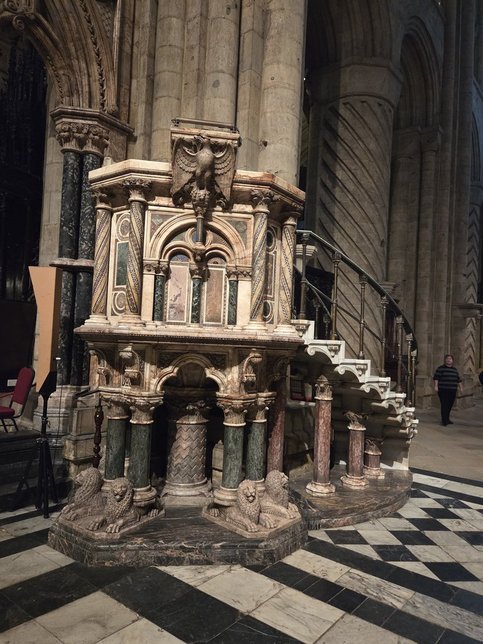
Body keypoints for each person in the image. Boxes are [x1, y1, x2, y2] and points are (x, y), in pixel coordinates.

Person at [433, 354, 463, 426]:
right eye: (447, 359)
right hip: (443, 390)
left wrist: (461, 388)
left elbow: (458, 380)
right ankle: (444, 421)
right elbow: (436, 378)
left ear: (452, 361)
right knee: (444, 405)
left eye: (450, 359)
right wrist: (436, 386)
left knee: (449, 405)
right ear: (445, 360)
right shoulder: (440, 369)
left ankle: (447, 418)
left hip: (452, 390)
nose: (449, 360)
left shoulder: (455, 370)